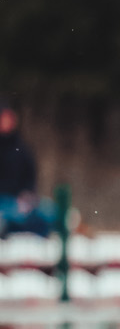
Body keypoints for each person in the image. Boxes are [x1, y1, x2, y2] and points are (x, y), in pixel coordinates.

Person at [0, 100, 56, 236]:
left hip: (20, 201)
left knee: (49, 210)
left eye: (9, 118)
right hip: (4, 202)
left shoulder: (22, 148)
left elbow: (30, 175)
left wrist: (26, 194)